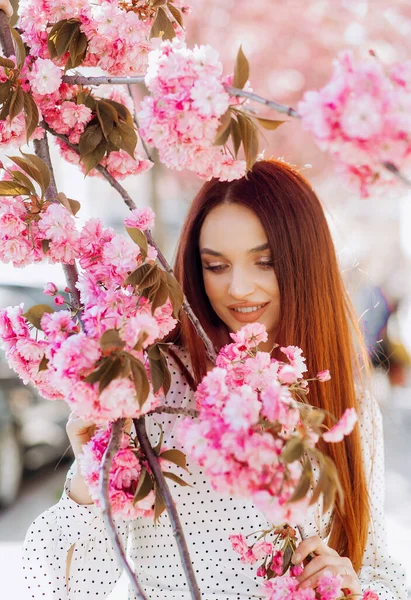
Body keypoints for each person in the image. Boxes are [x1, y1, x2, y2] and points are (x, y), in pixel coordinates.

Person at [22, 160, 407, 600]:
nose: (239, 288)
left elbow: (381, 568)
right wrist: (91, 474)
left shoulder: (344, 403)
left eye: (265, 261)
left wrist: (353, 588)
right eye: (216, 266)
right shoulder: (154, 387)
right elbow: (57, 587)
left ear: (307, 264)